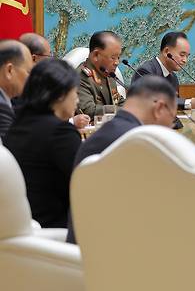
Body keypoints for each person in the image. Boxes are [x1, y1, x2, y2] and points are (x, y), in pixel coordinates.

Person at [66, 75, 177, 243]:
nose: (170, 127)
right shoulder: (137, 141)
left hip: (89, 247)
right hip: (109, 253)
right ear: (160, 108)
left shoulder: (110, 131)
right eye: (172, 119)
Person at [4, 59, 82, 228]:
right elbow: (88, 182)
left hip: (25, 226)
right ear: (61, 95)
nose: (77, 100)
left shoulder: (16, 126)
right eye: (75, 92)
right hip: (56, 229)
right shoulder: (60, 133)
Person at [17, 33, 89, 128]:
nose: (51, 60)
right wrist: (71, 121)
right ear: (34, 58)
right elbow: (40, 118)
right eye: (48, 56)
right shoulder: (25, 84)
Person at [131, 31, 195, 110]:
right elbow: (151, 101)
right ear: (166, 52)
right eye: (182, 55)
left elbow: (175, 105)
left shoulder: (173, 77)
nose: (185, 60)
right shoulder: (146, 71)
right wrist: (188, 103)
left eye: (187, 56)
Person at [77, 31, 125, 118]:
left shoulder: (108, 74)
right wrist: (122, 111)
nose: (117, 62)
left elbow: (118, 101)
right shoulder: (80, 77)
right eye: (113, 57)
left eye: (118, 57)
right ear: (96, 55)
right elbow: (89, 111)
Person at [0, 40, 32, 140]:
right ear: (9, 70)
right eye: (28, 72)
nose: (31, 78)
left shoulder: (7, 101)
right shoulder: (1, 109)